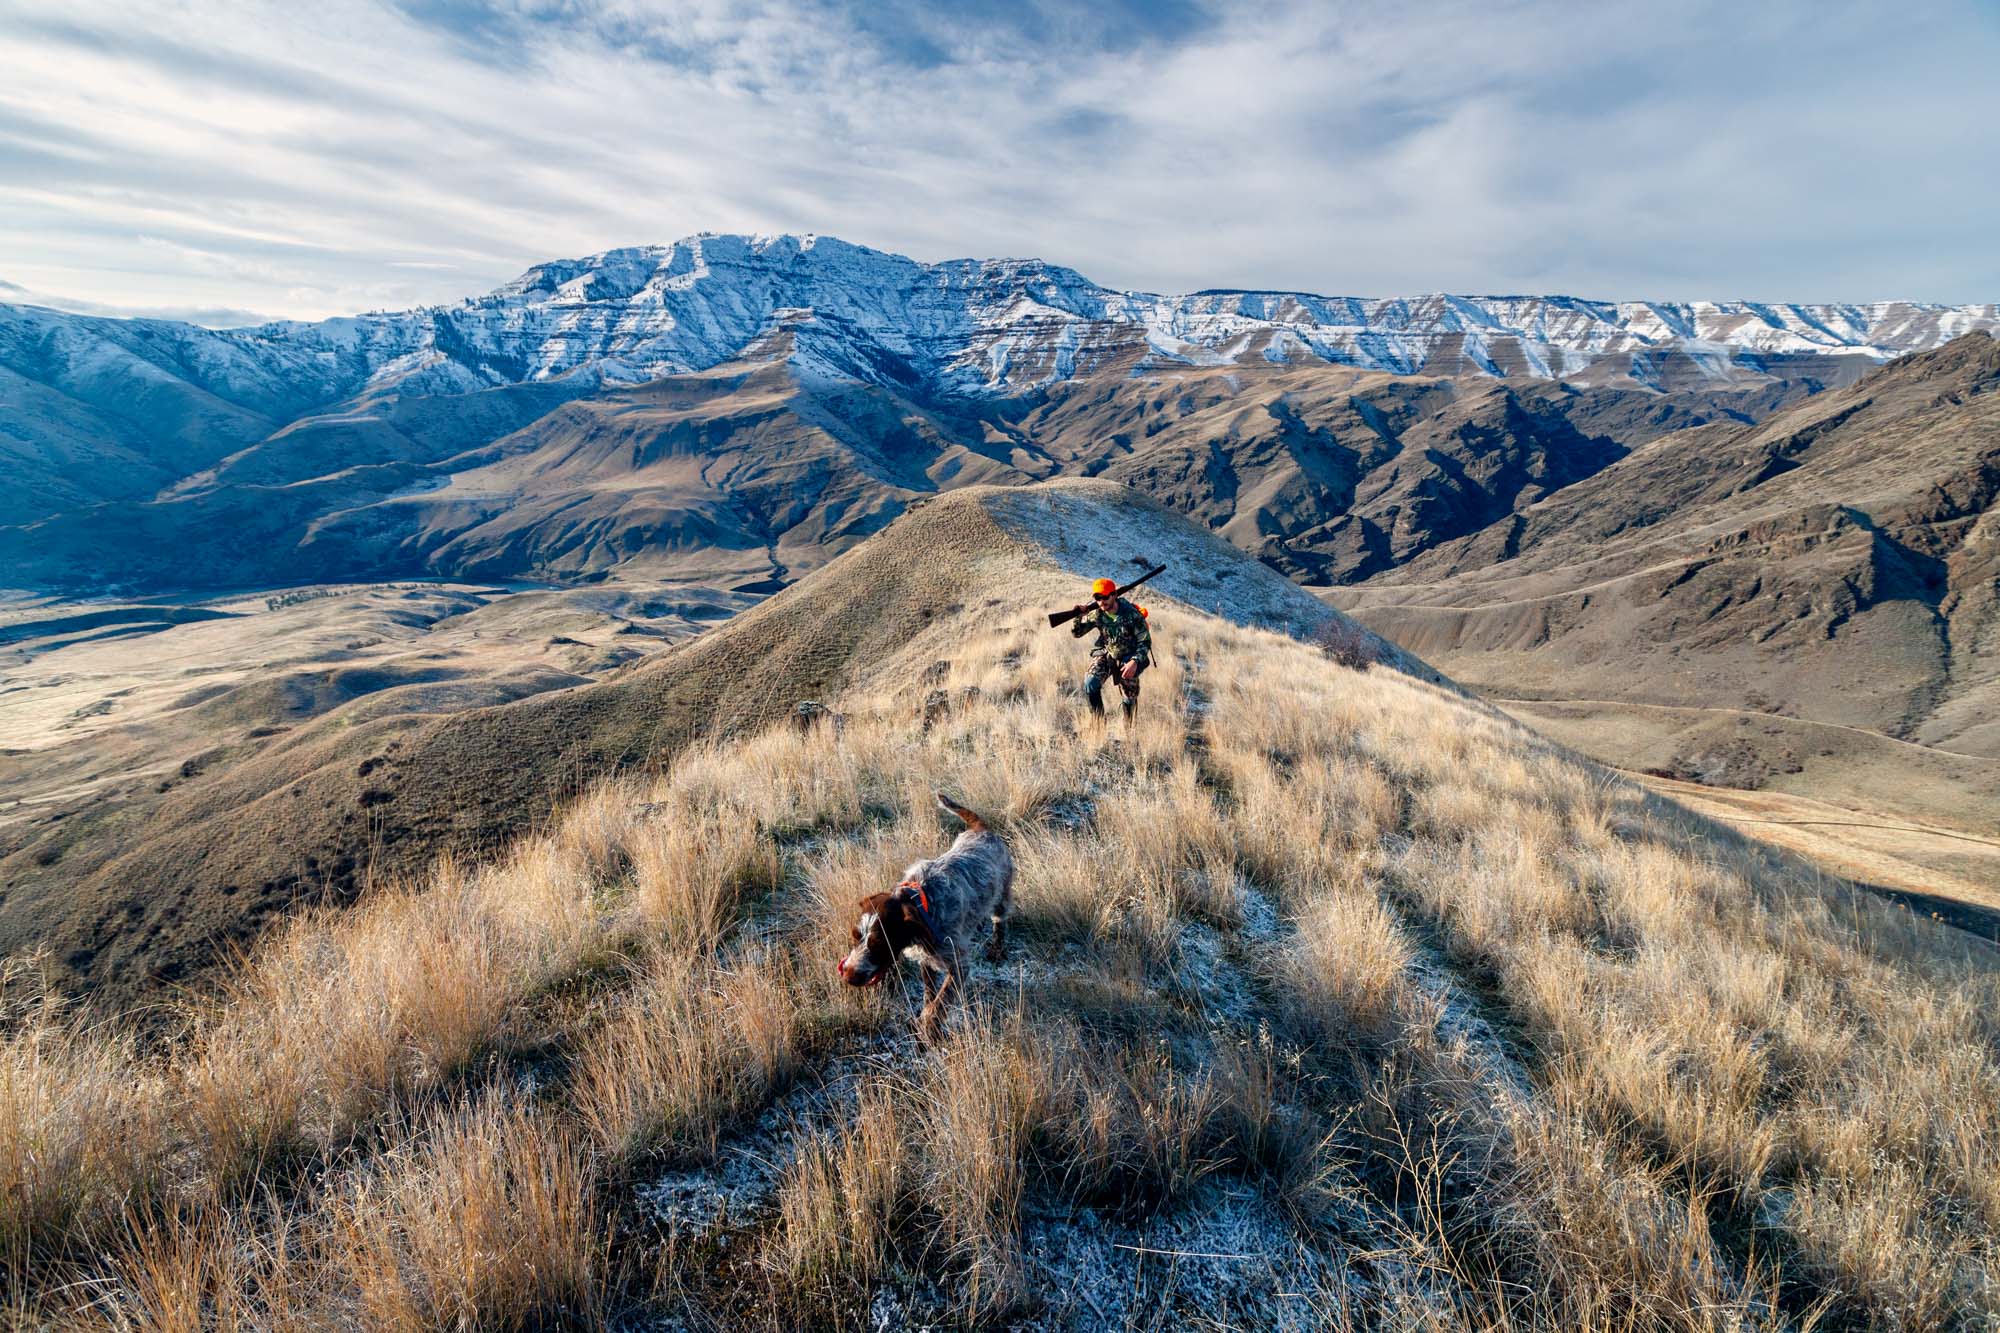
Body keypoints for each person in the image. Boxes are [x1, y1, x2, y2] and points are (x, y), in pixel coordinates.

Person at [1070, 577, 1153, 719]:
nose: (1102, 601)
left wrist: (1134, 661)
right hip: (1108, 654)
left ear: (1114, 595)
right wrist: (1078, 616)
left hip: (1130, 657)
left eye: (1105, 597)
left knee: (1129, 696)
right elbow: (1077, 633)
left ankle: (1129, 731)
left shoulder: (1131, 613)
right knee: (1090, 683)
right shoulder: (1097, 613)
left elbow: (1145, 641)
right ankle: (1098, 726)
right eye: (1097, 597)